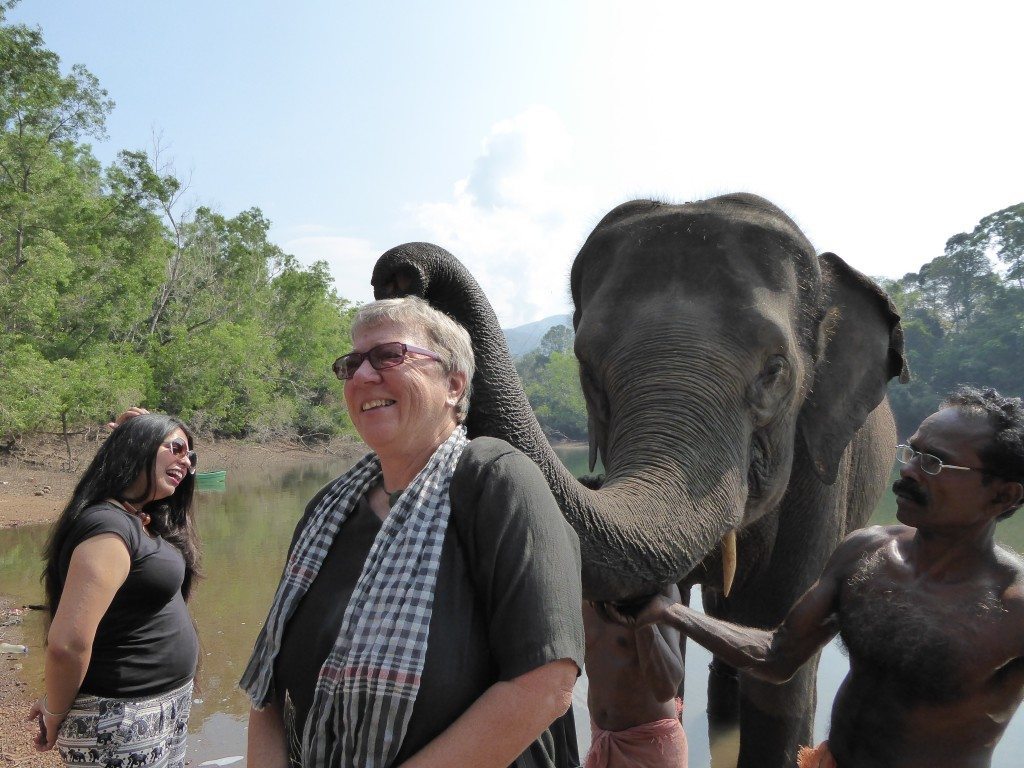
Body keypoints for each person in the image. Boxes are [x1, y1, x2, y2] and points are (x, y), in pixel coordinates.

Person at [240, 296, 584, 768]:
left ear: (454, 384)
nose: (363, 375)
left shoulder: (496, 482)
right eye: (352, 363)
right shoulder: (328, 509)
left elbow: (547, 683)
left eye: (390, 356)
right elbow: (268, 685)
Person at [608, 387, 1024, 768]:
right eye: (911, 452)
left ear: (1004, 495)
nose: (910, 470)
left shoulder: (1015, 604)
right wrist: (672, 612)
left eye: (933, 462)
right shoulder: (868, 552)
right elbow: (776, 657)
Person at [28, 414, 201, 767]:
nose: (186, 461)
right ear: (137, 447)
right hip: (119, 719)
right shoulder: (108, 527)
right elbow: (67, 644)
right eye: (177, 449)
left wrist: (160, 433)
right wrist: (55, 709)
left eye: (191, 457)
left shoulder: (141, 518)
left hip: (158, 709)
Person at [583, 585, 687, 768]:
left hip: (650, 745)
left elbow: (666, 687)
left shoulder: (660, 588)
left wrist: (641, 621)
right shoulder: (583, 581)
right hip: (601, 737)